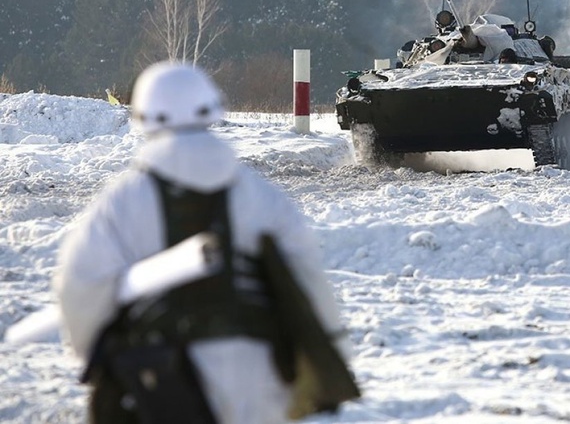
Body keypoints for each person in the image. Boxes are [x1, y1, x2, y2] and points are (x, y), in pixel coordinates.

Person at [53, 62, 355, 423]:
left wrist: (94, 355)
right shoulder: (260, 195)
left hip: (161, 374)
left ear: (144, 116)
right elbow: (308, 280)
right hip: (260, 371)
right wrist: (328, 353)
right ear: (212, 108)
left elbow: (81, 287)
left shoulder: (123, 201)